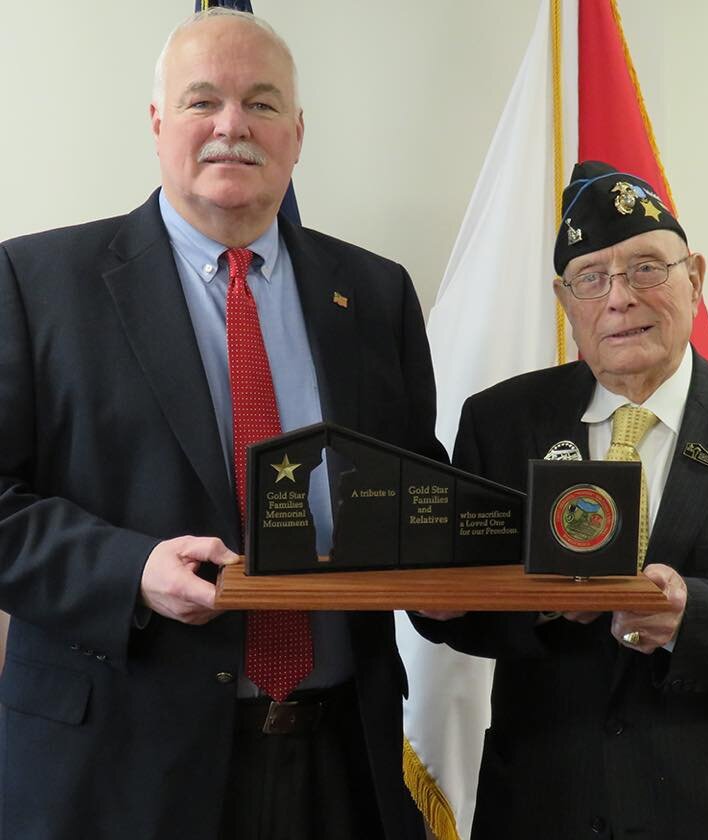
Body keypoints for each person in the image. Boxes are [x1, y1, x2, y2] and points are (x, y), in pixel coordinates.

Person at [0, 9, 442, 840]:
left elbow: (413, 478)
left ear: (298, 134)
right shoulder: (34, 284)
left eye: (263, 103)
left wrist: (455, 571)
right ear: (158, 121)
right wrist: (131, 570)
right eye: (204, 100)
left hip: (342, 763)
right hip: (119, 772)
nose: (232, 126)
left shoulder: (375, 292)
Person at [417, 160, 708, 839]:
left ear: (695, 279)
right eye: (592, 277)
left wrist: (689, 615)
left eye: (647, 268)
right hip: (540, 809)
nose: (620, 298)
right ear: (567, 303)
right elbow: (452, 614)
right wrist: (529, 600)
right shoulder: (499, 423)